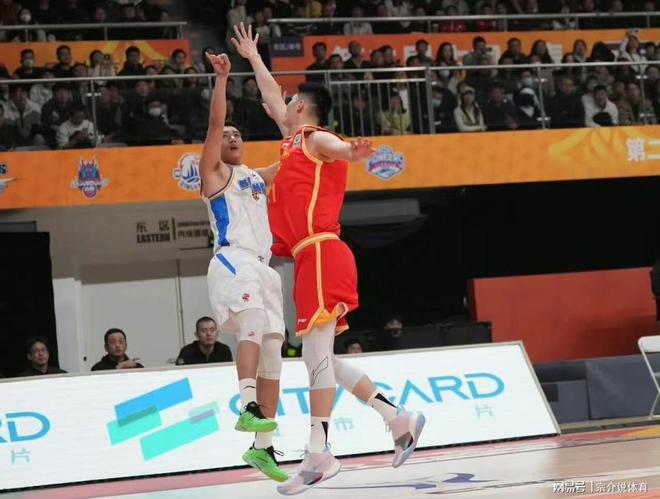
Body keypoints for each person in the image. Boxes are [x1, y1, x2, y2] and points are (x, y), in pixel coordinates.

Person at [232, 23, 426, 495]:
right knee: (321, 359)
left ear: (303, 107)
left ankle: (318, 452)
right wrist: (253, 57)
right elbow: (271, 97)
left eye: (290, 101)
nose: (281, 104)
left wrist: (352, 153)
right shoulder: (291, 141)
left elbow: (337, 148)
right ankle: (396, 418)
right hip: (311, 257)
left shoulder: (315, 138)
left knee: (316, 357)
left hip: (321, 250)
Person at [199, 51, 287, 483]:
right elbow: (216, 124)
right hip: (232, 259)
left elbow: (292, 158)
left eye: (237, 134)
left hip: (264, 268)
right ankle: (247, 405)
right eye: (227, 135)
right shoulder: (214, 175)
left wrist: (292, 121)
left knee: (274, 354)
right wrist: (222, 79)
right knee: (251, 320)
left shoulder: (254, 175)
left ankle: (262, 447)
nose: (232, 137)